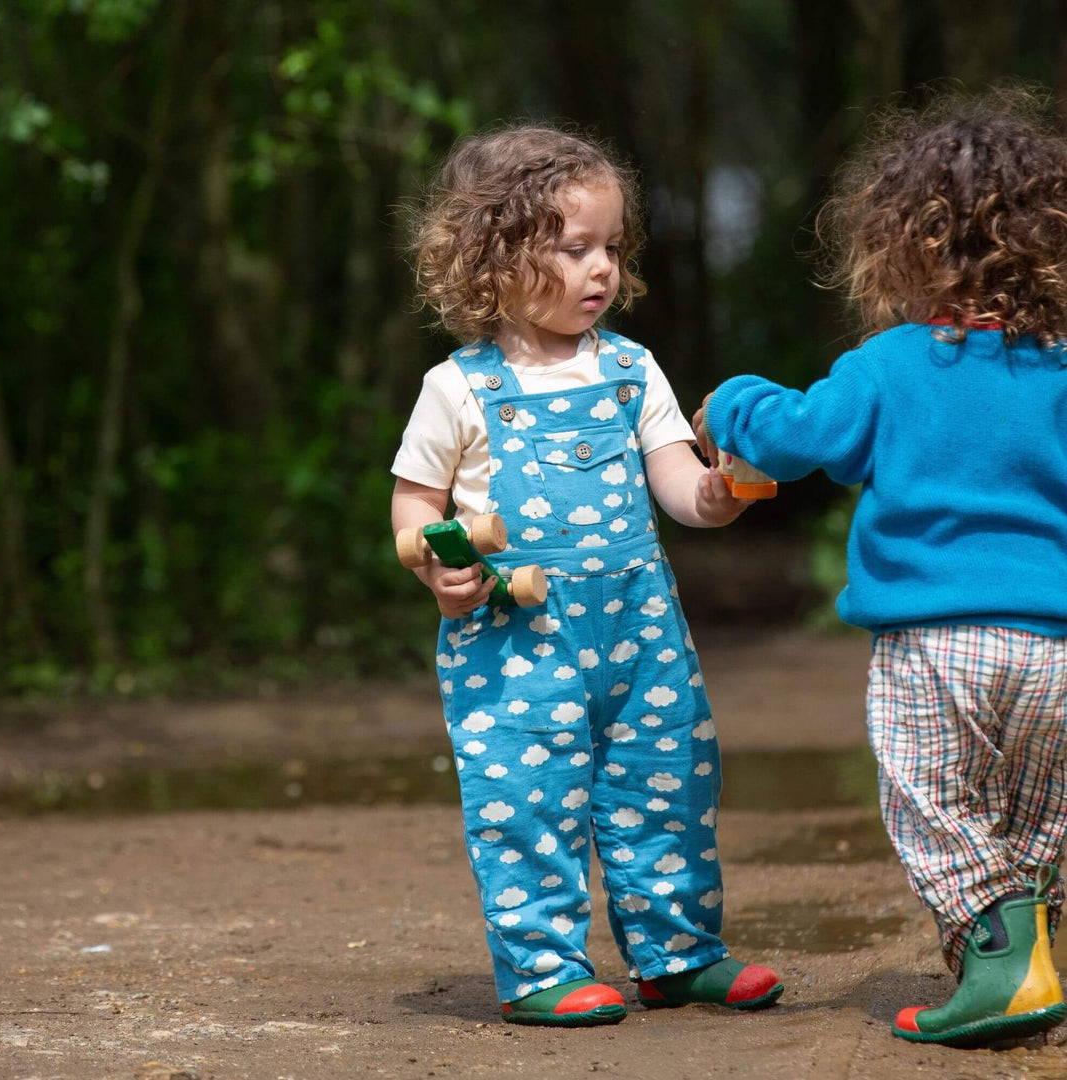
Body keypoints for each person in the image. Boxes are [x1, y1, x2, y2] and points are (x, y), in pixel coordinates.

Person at [696, 91, 1067, 1048]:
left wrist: (732, 400)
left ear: (905, 246)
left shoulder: (891, 365)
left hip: (934, 645)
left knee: (932, 801)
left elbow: (793, 437)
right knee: (1036, 825)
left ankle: (1000, 958)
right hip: (1057, 648)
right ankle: (1023, 965)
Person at [390, 125, 783, 1027]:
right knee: (526, 800)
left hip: (640, 626)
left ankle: (679, 956)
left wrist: (717, 495)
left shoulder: (629, 369)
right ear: (493, 258)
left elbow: (677, 481)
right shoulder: (458, 388)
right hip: (515, 634)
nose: (601, 268)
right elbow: (415, 509)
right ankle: (541, 969)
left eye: (610, 247)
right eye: (574, 250)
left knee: (668, 779)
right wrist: (440, 572)